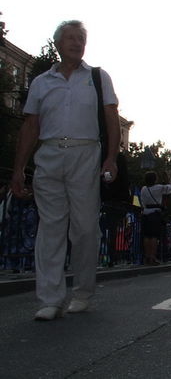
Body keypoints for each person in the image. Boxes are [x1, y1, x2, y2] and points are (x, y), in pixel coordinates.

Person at [10, 20, 120, 320]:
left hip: (86, 153)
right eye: (70, 38)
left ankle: (83, 291)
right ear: (58, 44)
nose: (75, 42)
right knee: (51, 228)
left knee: (85, 227)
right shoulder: (42, 82)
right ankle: (50, 299)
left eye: (80, 38)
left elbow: (111, 117)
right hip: (48, 154)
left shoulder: (98, 77)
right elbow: (30, 125)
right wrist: (19, 169)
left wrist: (111, 157)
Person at [140, 171, 171, 265]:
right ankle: (152, 257)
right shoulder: (159, 188)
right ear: (155, 179)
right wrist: (169, 177)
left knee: (147, 236)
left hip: (145, 213)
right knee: (154, 236)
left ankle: (147, 256)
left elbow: (142, 201)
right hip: (155, 213)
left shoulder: (143, 189)